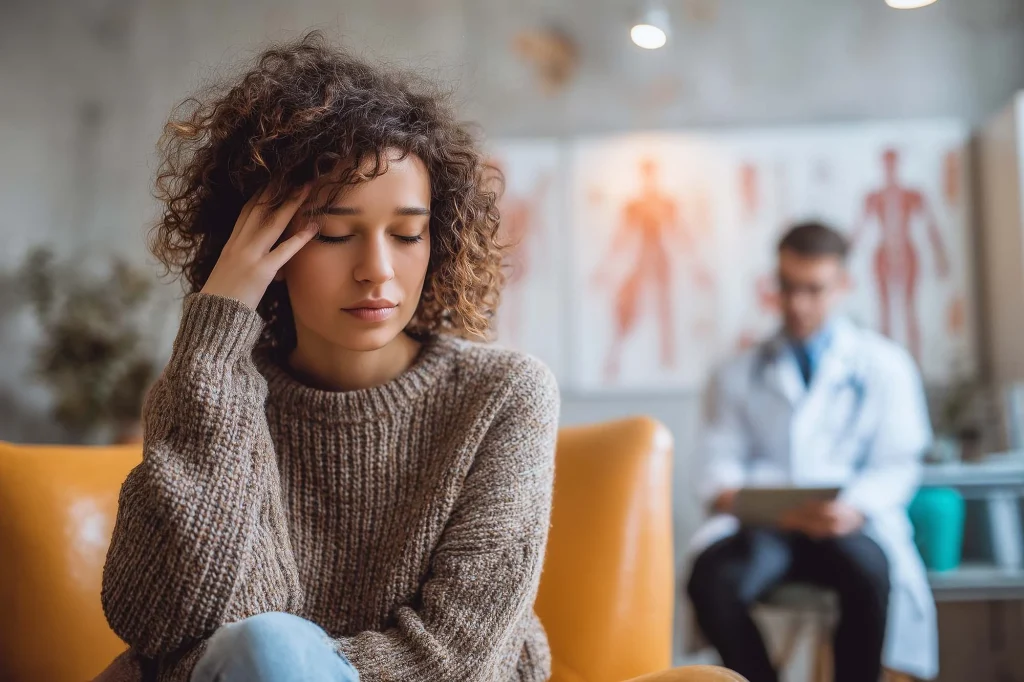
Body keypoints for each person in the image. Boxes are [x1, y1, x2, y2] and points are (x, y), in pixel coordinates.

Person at [96, 32, 559, 682]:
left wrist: (288, 664)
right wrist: (215, 331)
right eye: (336, 234)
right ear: (264, 246)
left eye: (406, 234)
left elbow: (455, 660)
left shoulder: (503, 395)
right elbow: (156, 623)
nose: (377, 271)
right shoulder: (212, 388)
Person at [684, 222, 937, 682]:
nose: (797, 304)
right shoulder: (738, 371)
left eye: (814, 290)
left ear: (843, 286)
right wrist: (734, 496)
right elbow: (717, 461)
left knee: (870, 573)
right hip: (766, 530)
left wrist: (854, 508)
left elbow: (898, 464)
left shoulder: (885, 365)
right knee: (711, 577)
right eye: (787, 287)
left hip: (847, 525)